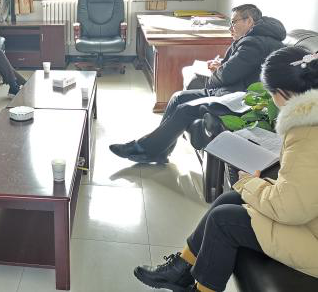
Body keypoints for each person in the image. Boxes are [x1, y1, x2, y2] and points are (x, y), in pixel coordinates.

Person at [133, 45, 318, 292]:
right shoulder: (308, 124)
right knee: (230, 197)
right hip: (310, 218)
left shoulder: (306, 133)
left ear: (282, 92)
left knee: (224, 220)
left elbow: (289, 209)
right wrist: (253, 186)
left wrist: (250, 182)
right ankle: (181, 268)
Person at [110, 4, 286, 163]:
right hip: (231, 91)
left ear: (249, 21)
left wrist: (215, 74)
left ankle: (144, 148)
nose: (230, 28)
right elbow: (238, 69)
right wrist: (221, 66)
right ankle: (160, 151)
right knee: (178, 97)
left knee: (184, 109)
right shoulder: (258, 39)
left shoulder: (254, 43)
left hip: (238, 100)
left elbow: (226, 76)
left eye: (234, 22)